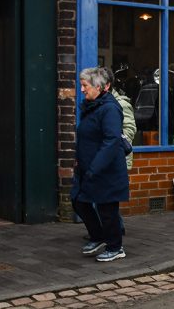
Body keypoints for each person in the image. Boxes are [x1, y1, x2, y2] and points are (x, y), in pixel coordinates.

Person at [72, 67, 129, 262]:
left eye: (85, 85)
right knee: (78, 201)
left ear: (100, 87)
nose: (82, 89)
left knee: (107, 210)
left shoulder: (110, 109)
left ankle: (115, 247)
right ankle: (98, 237)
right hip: (88, 169)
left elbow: (112, 140)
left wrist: (95, 167)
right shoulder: (92, 106)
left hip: (106, 170)